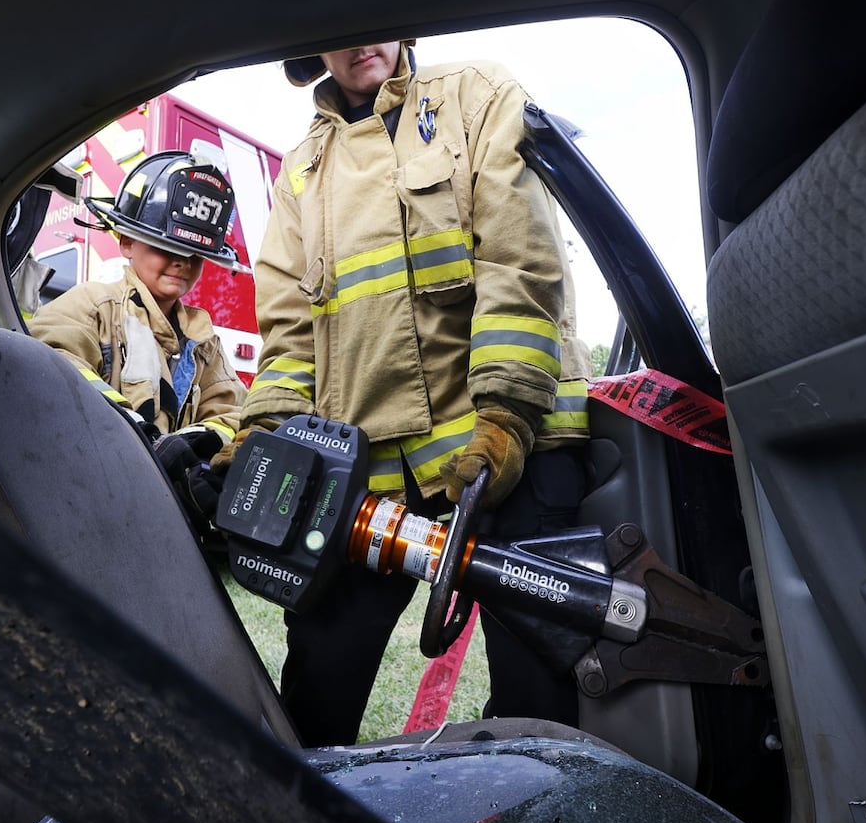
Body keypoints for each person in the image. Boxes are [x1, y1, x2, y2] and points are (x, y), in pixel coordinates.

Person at [213, 41, 591, 746]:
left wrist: (507, 415)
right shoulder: (301, 169)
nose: (362, 38)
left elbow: (518, 258)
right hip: (362, 473)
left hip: (504, 454)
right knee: (317, 688)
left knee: (537, 703)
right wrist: (260, 434)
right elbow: (291, 333)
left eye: (375, 19)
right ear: (308, 49)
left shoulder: (476, 93)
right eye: (337, 29)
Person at [30, 151, 245, 508]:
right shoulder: (94, 305)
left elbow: (231, 410)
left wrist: (200, 443)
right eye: (166, 246)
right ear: (127, 241)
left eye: (194, 254)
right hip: (89, 493)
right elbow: (53, 361)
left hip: (162, 509)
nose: (182, 262)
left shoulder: (203, 341)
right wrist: (137, 431)